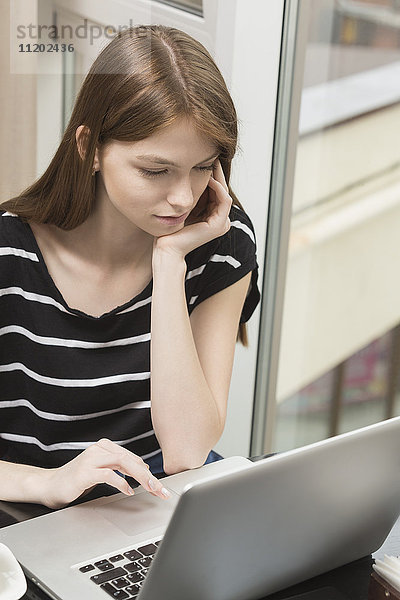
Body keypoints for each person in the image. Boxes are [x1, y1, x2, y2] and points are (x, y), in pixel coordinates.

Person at [0, 25, 260, 510]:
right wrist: (47, 483)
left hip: (157, 510)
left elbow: (186, 450)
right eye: (155, 170)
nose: (183, 198)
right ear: (89, 147)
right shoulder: (8, 254)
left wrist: (168, 262)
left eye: (203, 167)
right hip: (24, 515)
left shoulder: (218, 243)